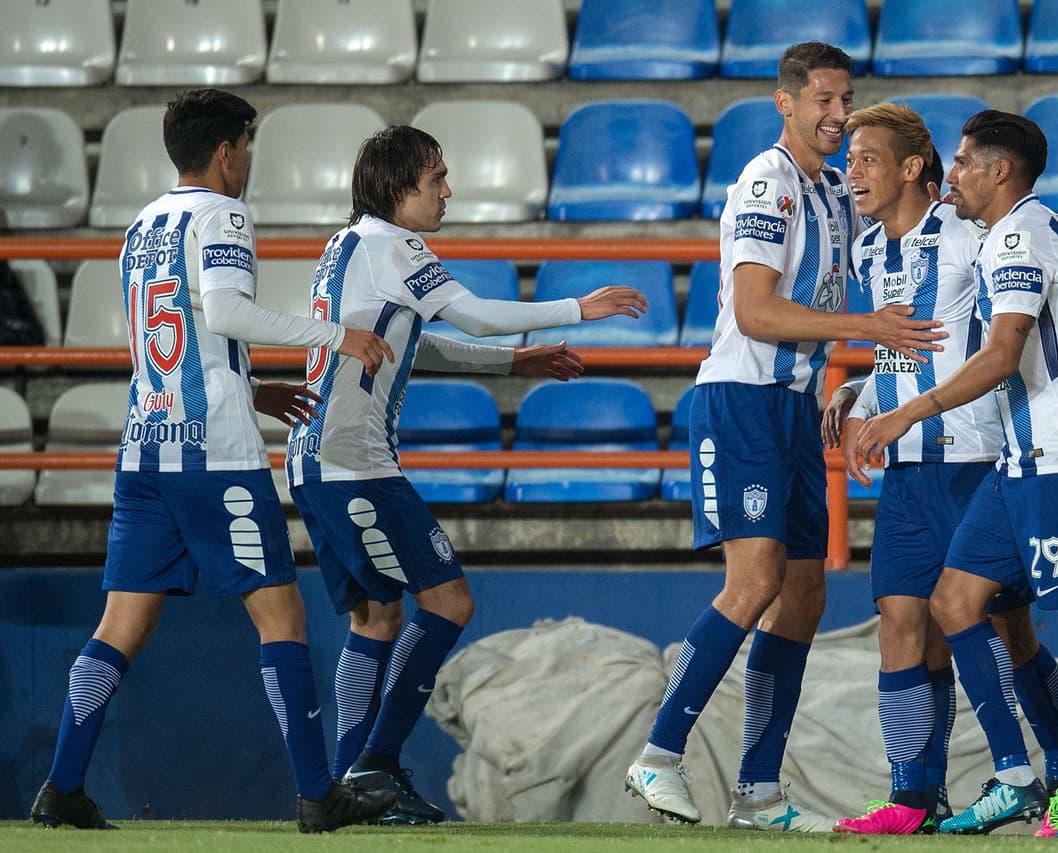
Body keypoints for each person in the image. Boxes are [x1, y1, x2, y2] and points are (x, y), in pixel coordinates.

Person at [29, 88, 397, 833]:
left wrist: (248, 386)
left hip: (146, 449)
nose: (249, 163)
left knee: (121, 623)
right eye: (247, 148)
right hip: (215, 458)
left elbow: (174, 337)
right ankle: (317, 792)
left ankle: (62, 785)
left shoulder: (141, 224)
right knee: (281, 614)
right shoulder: (221, 214)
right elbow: (225, 312)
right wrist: (336, 337)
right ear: (227, 151)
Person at [622, 42, 948, 833]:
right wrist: (864, 329)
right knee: (758, 578)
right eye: (825, 101)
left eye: (846, 101)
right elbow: (757, 310)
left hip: (796, 407)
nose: (839, 115)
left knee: (804, 595)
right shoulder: (767, 183)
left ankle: (757, 792)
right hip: (742, 399)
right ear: (787, 103)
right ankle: (659, 753)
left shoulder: (834, 189)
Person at [285, 124, 648, 825]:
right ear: (398, 189)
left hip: (316, 459)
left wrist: (518, 361)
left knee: (377, 615)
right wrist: (581, 307)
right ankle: (375, 764)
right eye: (436, 179)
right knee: (448, 601)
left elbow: (414, 346)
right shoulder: (396, 244)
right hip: (354, 461)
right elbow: (476, 316)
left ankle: (346, 788)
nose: (448, 191)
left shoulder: (347, 244)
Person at [823, 105, 1058, 837]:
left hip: (979, 457)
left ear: (911, 168)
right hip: (906, 466)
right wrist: (857, 392)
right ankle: (914, 794)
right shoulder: (869, 251)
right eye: (851, 159)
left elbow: (1029, 324)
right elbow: (900, 353)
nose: (852, 171)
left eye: (867, 158)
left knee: (1008, 627)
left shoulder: (972, 235)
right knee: (901, 623)